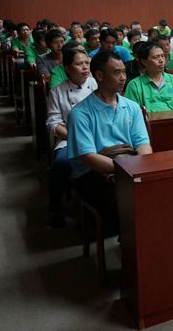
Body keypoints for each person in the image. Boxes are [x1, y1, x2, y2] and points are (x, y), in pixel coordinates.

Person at [67, 51, 151, 235]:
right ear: (99, 75)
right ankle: (131, 244)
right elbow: (88, 157)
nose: (123, 77)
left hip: (128, 165)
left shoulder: (131, 107)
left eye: (124, 72)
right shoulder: (80, 114)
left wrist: (139, 168)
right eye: (116, 72)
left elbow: (143, 145)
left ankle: (146, 242)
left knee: (158, 191)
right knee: (125, 199)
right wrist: (126, 171)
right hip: (93, 174)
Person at [45, 46, 97, 227]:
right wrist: (76, 136)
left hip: (99, 136)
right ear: (67, 68)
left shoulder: (97, 84)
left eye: (87, 63)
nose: (85, 67)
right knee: (61, 163)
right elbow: (53, 123)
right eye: (79, 64)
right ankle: (55, 209)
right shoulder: (57, 91)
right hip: (70, 139)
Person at [124, 42, 173, 112]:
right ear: (144, 61)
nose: (161, 60)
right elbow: (132, 112)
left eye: (162, 56)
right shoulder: (134, 85)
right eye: (156, 57)